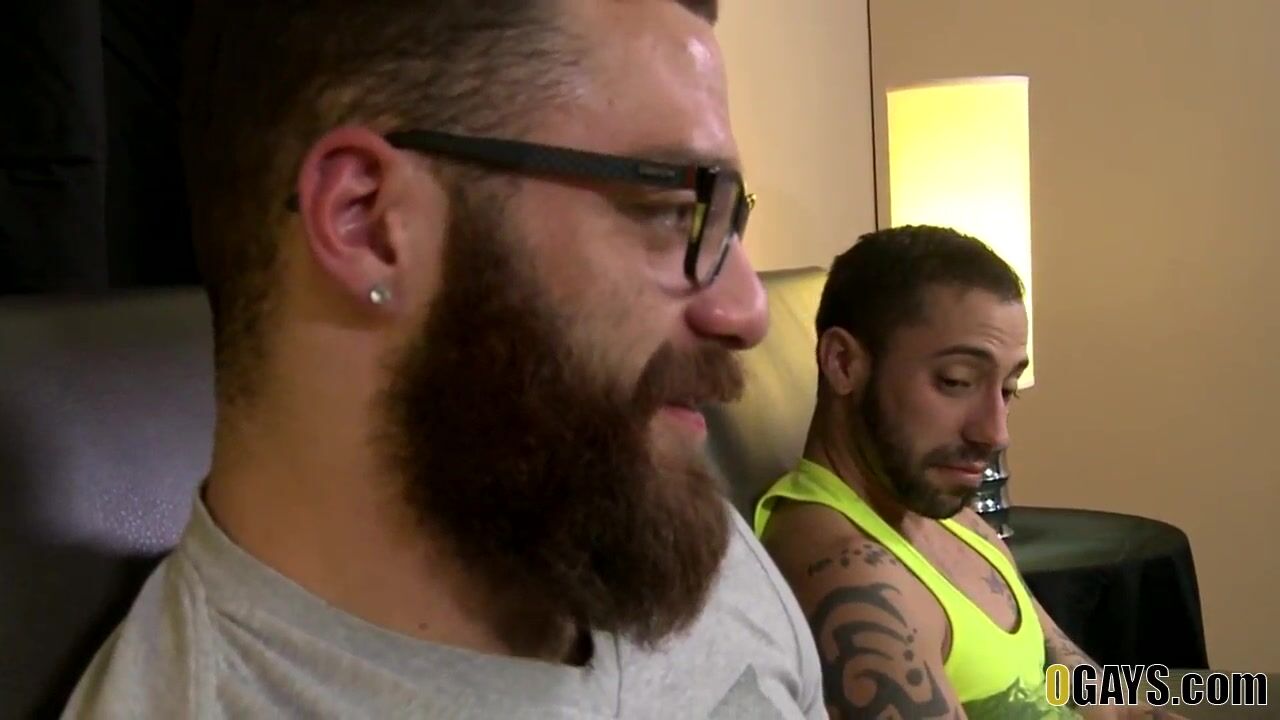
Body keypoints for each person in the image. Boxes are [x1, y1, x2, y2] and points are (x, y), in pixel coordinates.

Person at [61, 1, 825, 717]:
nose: (747, 310)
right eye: (673, 210)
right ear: (368, 223)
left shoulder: (664, 526)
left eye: (728, 218)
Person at [754, 226, 1186, 719]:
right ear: (843, 363)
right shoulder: (852, 575)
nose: (995, 433)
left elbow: (1093, 694)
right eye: (956, 381)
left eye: (1007, 389)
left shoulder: (951, 519)